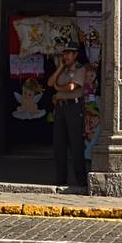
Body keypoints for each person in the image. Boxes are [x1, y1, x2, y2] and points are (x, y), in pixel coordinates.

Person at [47, 43, 88, 189]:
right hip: (60, 108)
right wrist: (59, 68)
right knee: (59, 144)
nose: (66, 56)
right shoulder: (63, 69)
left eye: (69, 53)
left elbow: (72, 87)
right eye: (65, 53)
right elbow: (50, 82)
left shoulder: (79, 69)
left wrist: (57, 89)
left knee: (76, 144)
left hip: (74, 107)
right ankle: (60, 178)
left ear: (75, 55)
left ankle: (81, 179)